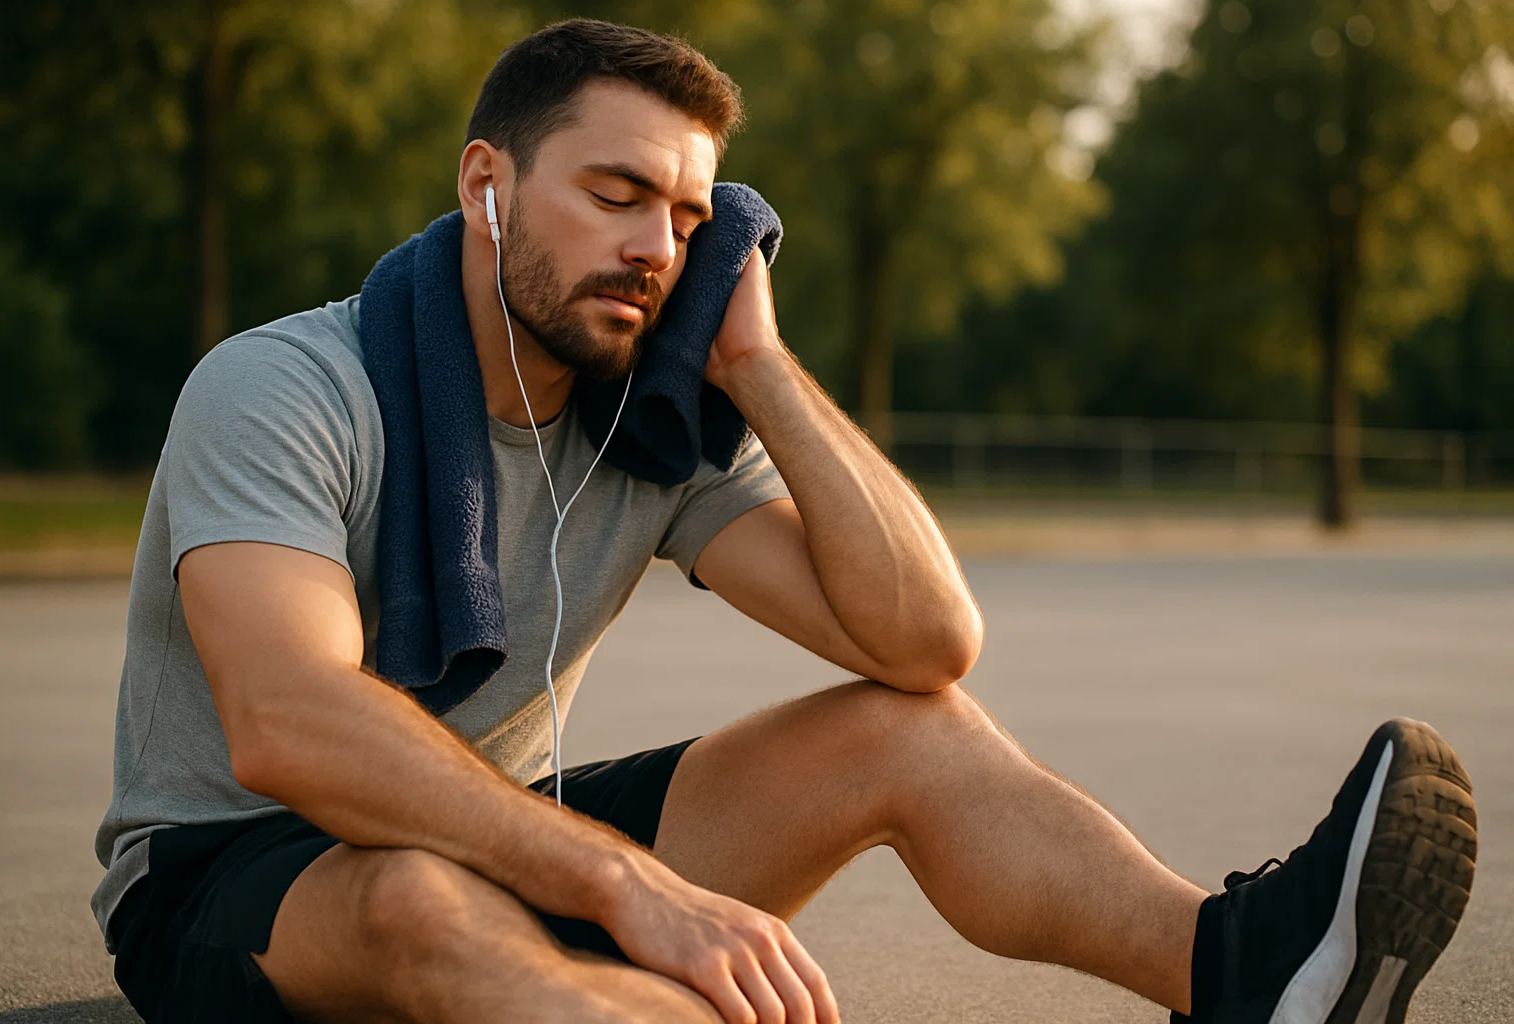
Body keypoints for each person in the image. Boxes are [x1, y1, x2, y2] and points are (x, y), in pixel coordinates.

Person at [91, 18, 1477, 1024]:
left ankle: (1243, 975)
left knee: (905, 734)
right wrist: (626, 886)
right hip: (240, 874)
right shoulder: (286, 387)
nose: (653, 246)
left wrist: (755, 363)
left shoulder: (656, 419)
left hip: (502, 837)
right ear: (485, 184)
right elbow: (289, 719)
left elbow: (925, 643)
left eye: (691, 219)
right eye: (616, 193)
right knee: (410, 899)